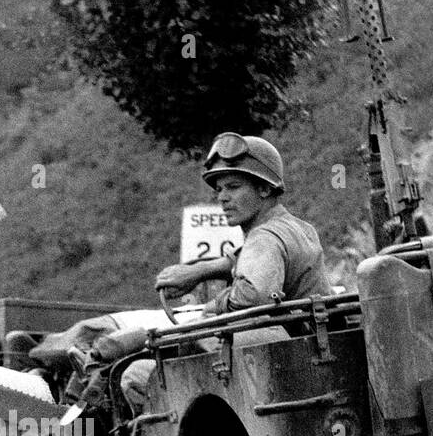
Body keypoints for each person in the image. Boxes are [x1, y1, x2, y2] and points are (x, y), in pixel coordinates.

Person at [121, 134, 331, 407]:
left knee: (135, 375)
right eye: (219, 189)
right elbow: (248, 260)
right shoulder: (297, 228)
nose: (223, 198)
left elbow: (254, 294)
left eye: (233, 187)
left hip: (284, 363)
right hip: (309, 351)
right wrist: (199, 272)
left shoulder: (264, 237)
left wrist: (214, 307)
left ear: (264, 189)